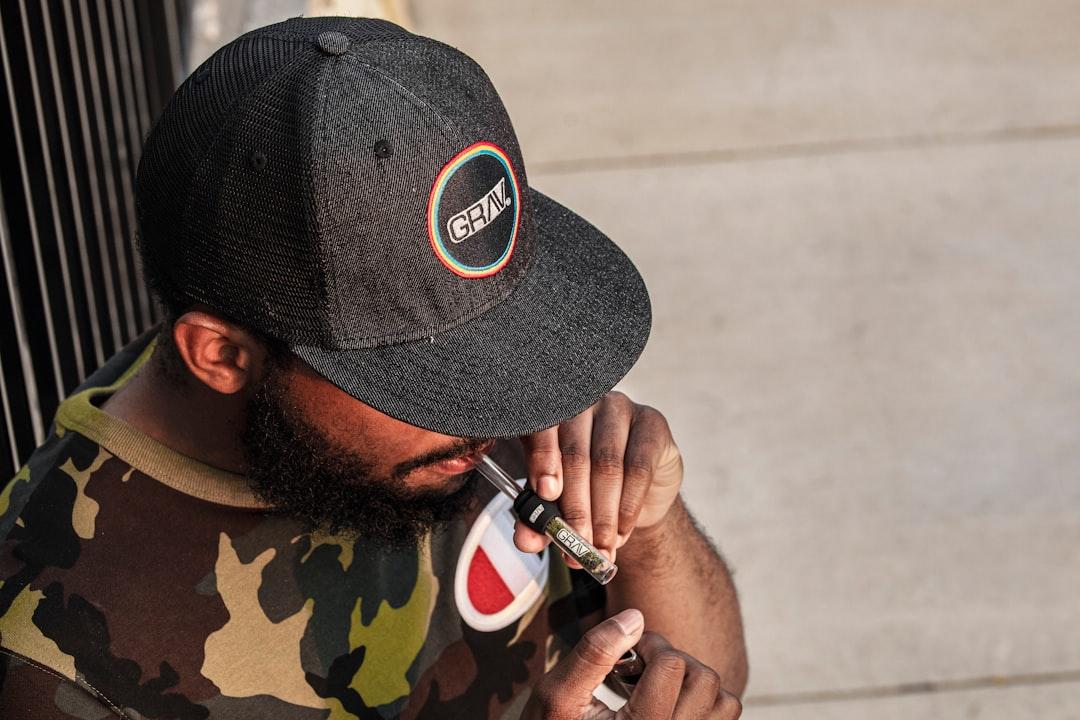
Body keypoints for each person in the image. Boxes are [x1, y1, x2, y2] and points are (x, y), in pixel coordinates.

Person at [0, 16, 746, 719]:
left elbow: (719, 679)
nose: (494, 411)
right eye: (421, 374)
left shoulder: (449, 436)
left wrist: (649, 527)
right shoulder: (60, 669)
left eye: (494, 338)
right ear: (223, 355)